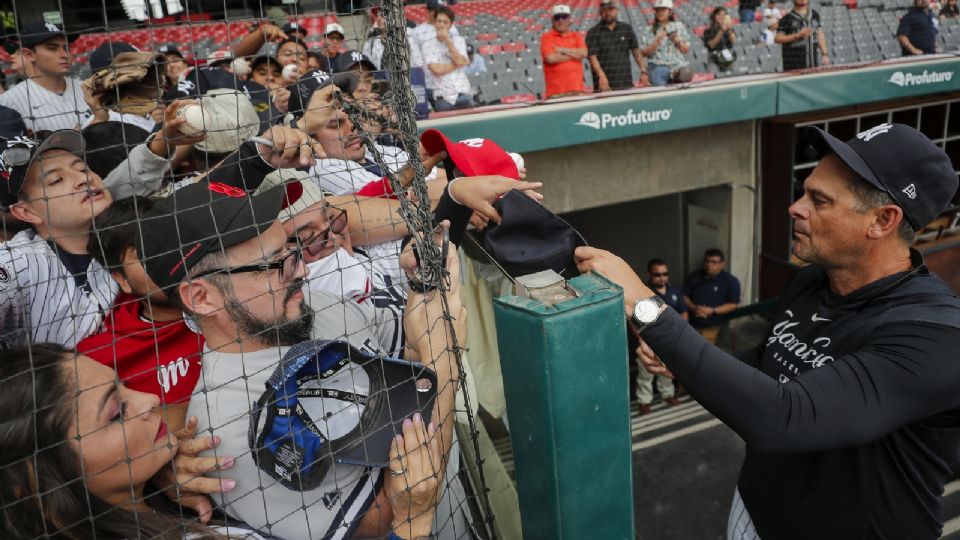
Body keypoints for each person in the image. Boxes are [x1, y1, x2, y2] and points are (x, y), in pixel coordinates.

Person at [576, 122, 960, 539]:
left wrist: (645, 307)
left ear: (883, 220)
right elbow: (769, 361)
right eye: (803, 190)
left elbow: (785, 416)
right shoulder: (812, 279)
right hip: (756, 510)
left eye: (820, 200)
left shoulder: (936, 335)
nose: (796, 207)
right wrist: (681, 361)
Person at [138, 180, 468, 539]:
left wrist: (421, 288)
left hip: (459, 510)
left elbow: (412, 354)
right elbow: (371, 530)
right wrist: (444, 363)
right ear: (202, 297)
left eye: (291, 250)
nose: (302, 271)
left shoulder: (307, 306)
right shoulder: (226, 431)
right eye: (273, 264)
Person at [0, 344, 442, 538]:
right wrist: (411, 524)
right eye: (117, 412)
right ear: (41, 484)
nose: (150, 399)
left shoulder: (162, 498)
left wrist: (155, 479)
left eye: (124, 387)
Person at [77, 197, 204, 434]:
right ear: (121, 279)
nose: (167, 258)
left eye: (172, 241)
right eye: (145, 253)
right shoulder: (94, 359)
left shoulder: (235, 300)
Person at [0, 22, 93, 131]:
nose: (64, 55)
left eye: (66, 48)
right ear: (29, 55)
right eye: (53, 48)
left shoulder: (86, 88)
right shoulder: (9, 101)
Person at [635, 258, 685, 414]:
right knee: (646, 372)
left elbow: (683, 313)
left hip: (671, 338)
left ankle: (667, 394)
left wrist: (683, 333)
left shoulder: (674, 291)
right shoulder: (643, 292)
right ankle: (644, 401)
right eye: (657, 275)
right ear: (649, 274)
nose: (662, 277)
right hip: (649, 338)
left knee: (667, 369)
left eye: (665, 274)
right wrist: (640, 337)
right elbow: (633, 319)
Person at [586, 0, 649, 92]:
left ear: (617, 10)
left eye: (611, 9)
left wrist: (643, 71)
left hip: (625, 83)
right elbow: (592, 57)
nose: (607, 13)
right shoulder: (593, 32)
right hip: (604, 86)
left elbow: (636, 51)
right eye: (604, 10)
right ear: (600, 12)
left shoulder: (626, 28)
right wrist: (601, 76)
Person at [681, 249, 740, 344]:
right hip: (692, 324)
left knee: (707, 354)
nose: (709, 265)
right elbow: (684, 296)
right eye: (707, 261)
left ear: (722, 264)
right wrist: (694, 307)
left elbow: (734, 304)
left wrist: (713, 310)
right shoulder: (695, 276)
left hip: (715, 327)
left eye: (714, 262)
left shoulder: (730, 281)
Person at [422, 5, 474, 111]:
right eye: (439, 21)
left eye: (445, 22)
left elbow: (460, 60)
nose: (441, 25)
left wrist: (448, 41)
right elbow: (436, 70)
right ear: (434, 23)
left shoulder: (459, 40)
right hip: (442, 96)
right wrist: (457, 64)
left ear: (450, 25)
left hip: (462, 92)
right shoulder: (426, 45)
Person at [540, 4, 589, 98]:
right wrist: (574, 54)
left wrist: (562, 50)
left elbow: (584, 53)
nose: (561, 20)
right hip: (556, 93)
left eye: (564, 17)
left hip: (578, 90)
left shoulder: (576, 36)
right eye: (557, 17)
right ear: (553, 20)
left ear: (570, 19)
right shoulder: (546, 37)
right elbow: (551, 58)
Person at [640, 0, 693, 87]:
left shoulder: (679, 26)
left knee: (685, 77)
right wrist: (656, 41)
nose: (660, 13)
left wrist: (679, 42)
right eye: (658, 10)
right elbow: (644, 53)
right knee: (661, 90)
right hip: (657, 66)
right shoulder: (649, 30)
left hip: (678, 66)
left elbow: (686, 50)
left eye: (663, 10)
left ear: (670, 11)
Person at [775, 0, 829, 70]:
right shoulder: (786, 18)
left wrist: (825, 54)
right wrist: (797, 35)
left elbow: (820, 35)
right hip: (793, 66)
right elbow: (778, 38)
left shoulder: (815, 15)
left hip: (812, 64)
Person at [704, 7, 738, 72]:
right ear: (714, 16)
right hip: (714, 59)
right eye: (719, 15)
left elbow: (733, 41)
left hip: (728, 57)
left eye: (724, 15)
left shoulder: (729, 29)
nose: (721, 17)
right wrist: (721, 31)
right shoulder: (708, 30)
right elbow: (711, 45)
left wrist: (729, 29)